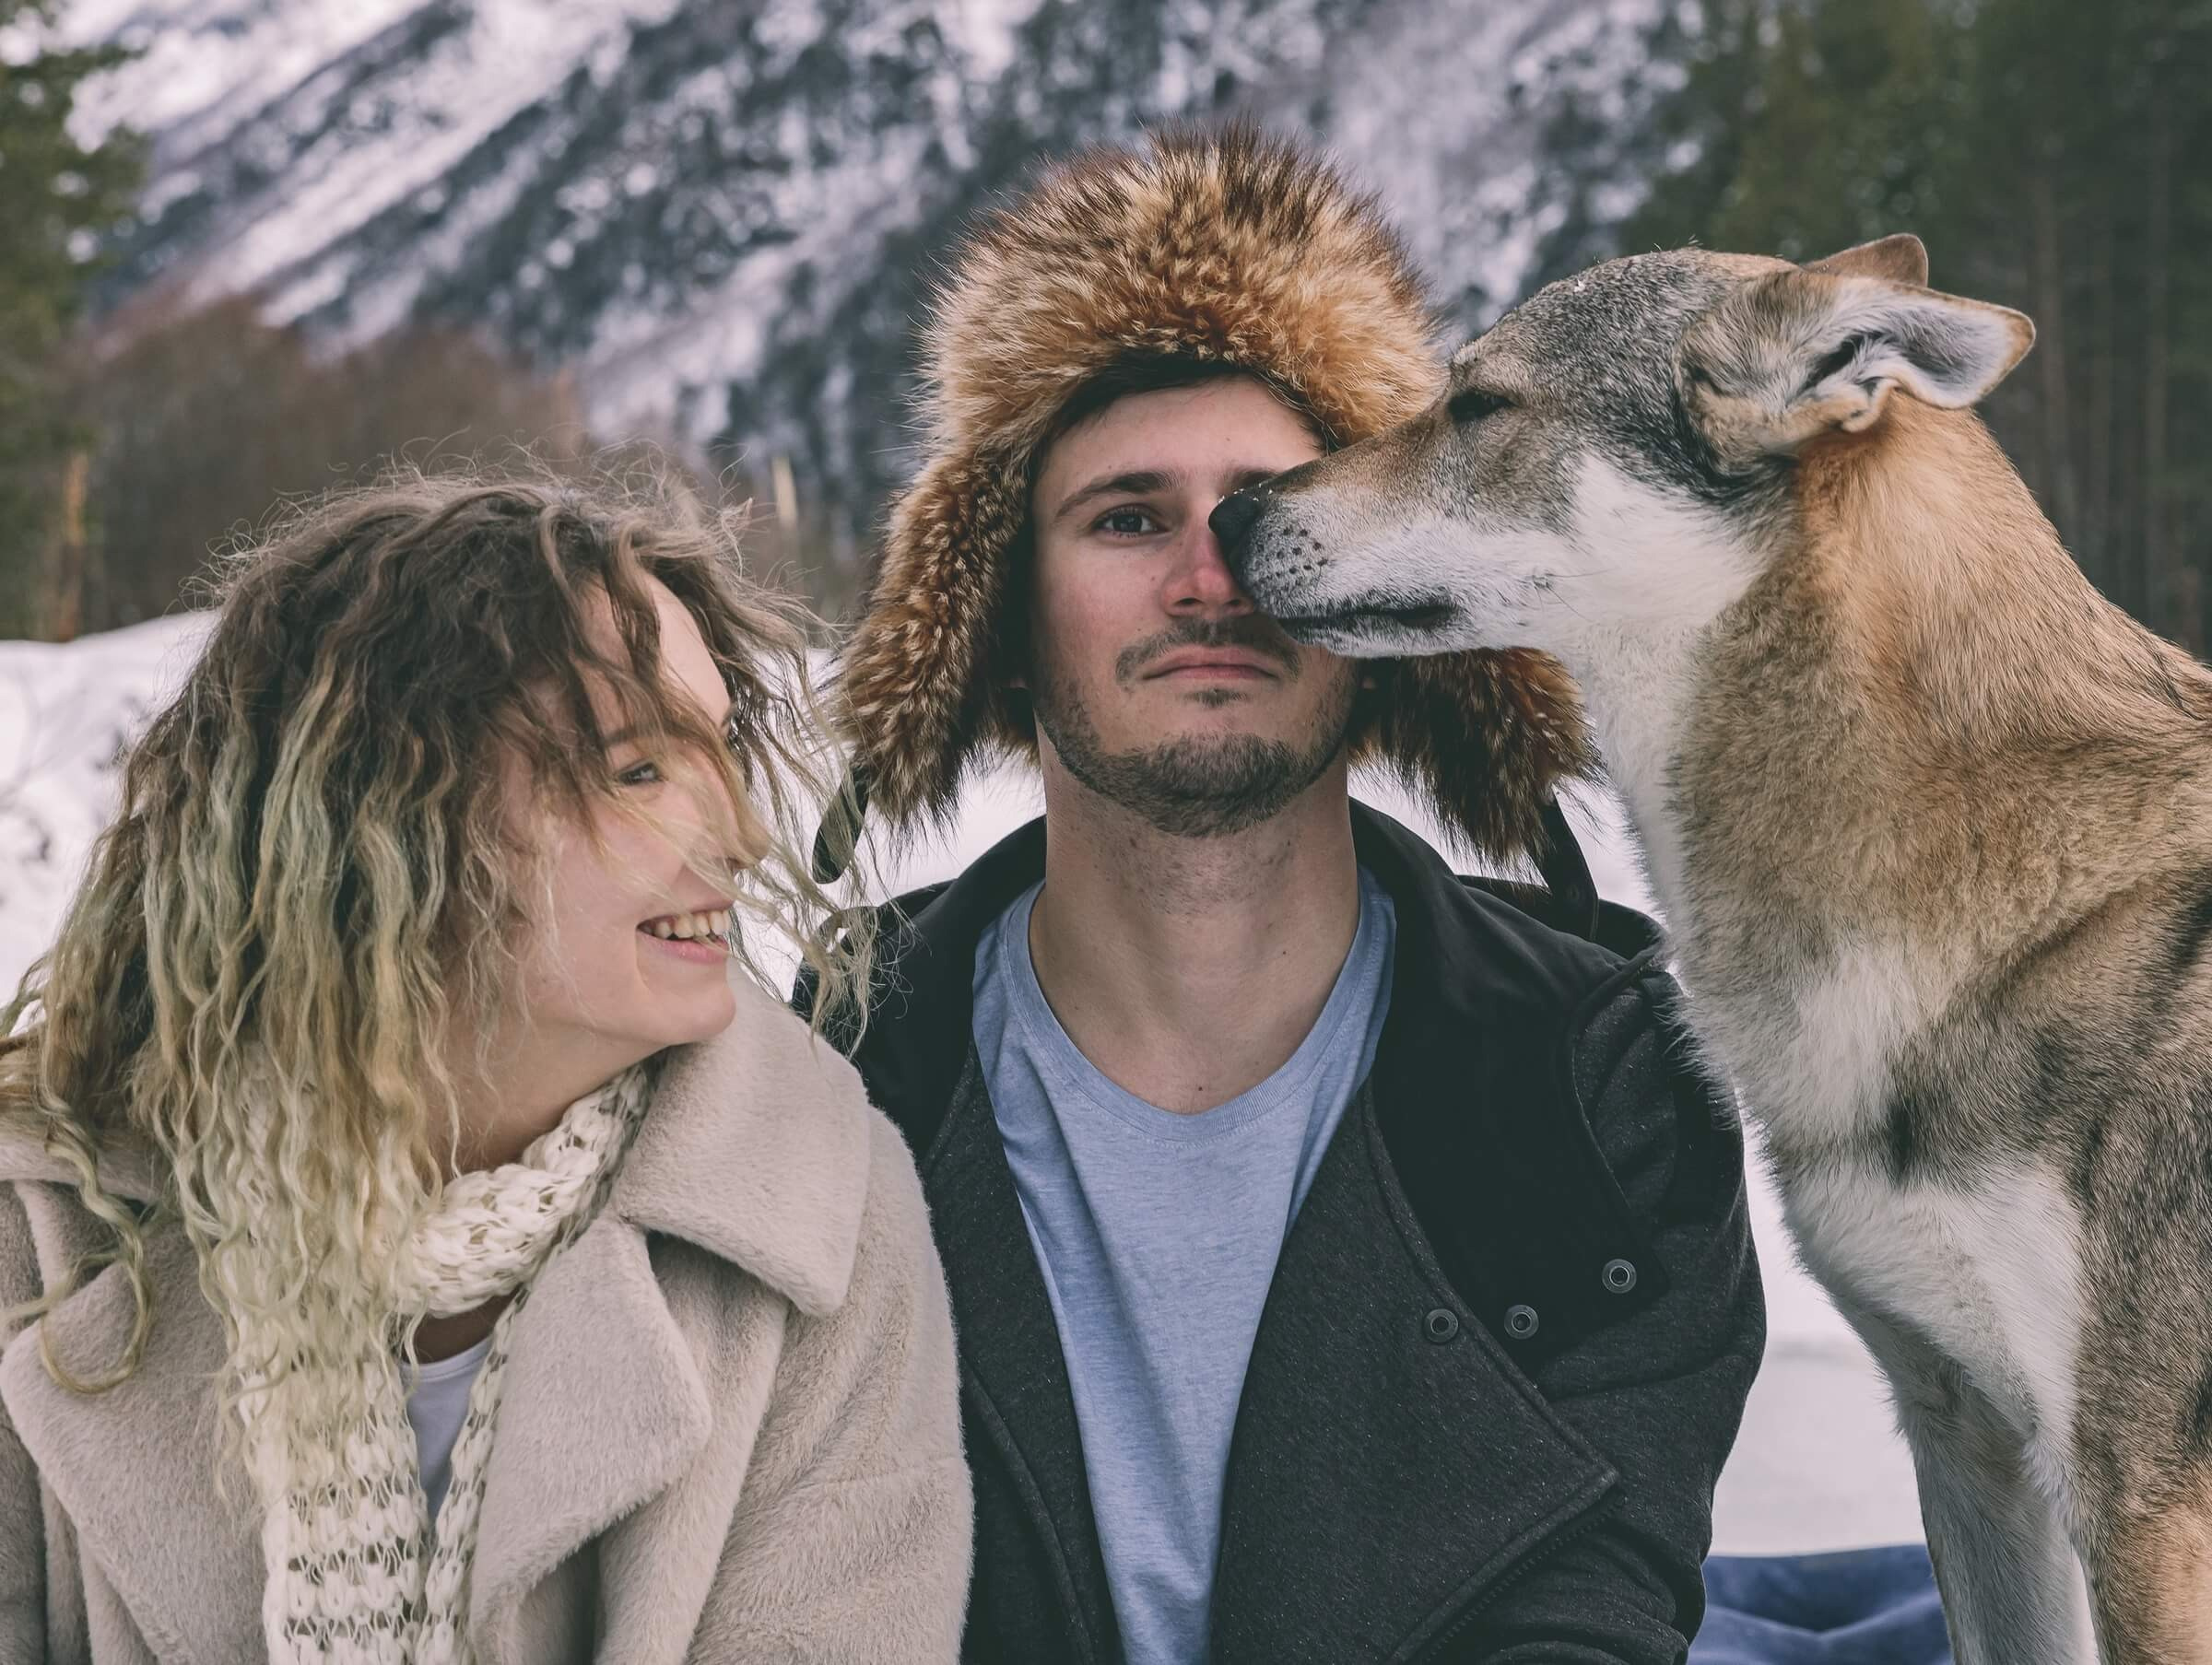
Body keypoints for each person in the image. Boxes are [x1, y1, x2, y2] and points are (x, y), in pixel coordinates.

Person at [816, 126, 1765, 1663]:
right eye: (1128, 519)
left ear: (1387, 591)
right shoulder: (837, 1076)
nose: (1213, 578)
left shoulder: (1605, 1075)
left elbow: (1587, 1606)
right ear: (992, 609)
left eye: (1274, 515)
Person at [0, 473, 970, 1664]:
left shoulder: (817, 1213)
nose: (743, 832)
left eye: (718, 747)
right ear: (382, 820)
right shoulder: (49, 1213)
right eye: (636, 769)